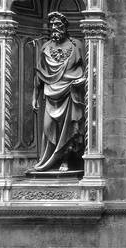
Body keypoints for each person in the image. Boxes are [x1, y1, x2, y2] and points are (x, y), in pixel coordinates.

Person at [31, 12, 86, 173]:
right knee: (49, 127)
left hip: (71, 93)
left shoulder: (76, 45)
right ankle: (49, 160)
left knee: (69, 129)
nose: (54, 27)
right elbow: (39, 74)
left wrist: (82, 80)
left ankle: (66, 160)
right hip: (51, 94)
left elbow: (89, 69)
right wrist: (34, 96)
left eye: (58, 24)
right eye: (52, 25)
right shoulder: (46, 47)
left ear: (65, 27)